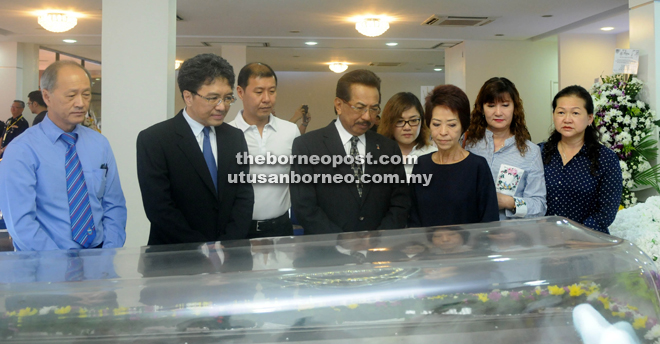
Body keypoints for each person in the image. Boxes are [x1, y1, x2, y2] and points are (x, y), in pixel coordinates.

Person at [0, 61, 127, 251]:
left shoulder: (99, 144)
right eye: (71, 95)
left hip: (99, 261)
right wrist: (60, 266)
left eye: (86, 95)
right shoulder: (22, 150)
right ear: (46, 96)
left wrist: (107, 254)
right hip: (46, 266)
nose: (81, 103)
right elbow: (21, 223)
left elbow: (114, 205)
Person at [137, 53, 253, 245]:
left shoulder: (235, 137)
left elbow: (244, 196)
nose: (222, 107)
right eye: (213, 98)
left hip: (230, 254)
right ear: (188, 97)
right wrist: (203, 249)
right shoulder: (155, 139)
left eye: (227, 98)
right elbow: (159, 208)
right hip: (176, 256)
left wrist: (226, 245)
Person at [290, 69, 410, 234]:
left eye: (374, 109)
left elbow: (400, 202)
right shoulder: (307, 146)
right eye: (360, 108)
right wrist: (341, 241)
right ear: (339, 105)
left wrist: (379, 239)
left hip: (379, 252)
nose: (367, 117)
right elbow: (304, 207)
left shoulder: (388, 148)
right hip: (327, 252)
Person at [409, 85, 499, 227]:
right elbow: (414, 216)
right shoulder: (421, 164)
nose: (443, 132)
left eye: (451, 125)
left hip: (470, 248)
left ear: (463, 126)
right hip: (427, 247)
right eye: (436, 124)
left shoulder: (477, 166)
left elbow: (490, 220)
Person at [229, 62, 300, 238]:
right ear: (240, 92)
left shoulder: (290, 131)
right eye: (259, 92)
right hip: (239, 229)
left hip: (282, 227)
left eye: (272, 91)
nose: (267, 99)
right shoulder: (227, 134)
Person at [540, 85, 622, 233]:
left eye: (575, 113)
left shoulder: (606, 159)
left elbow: (606, 212)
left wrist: (574, 236)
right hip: (543, 240)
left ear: (589, 118)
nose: (567, 119)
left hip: (587, 242)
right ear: (553, 115)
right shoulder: (539, 152)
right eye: (561, 112)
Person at [464, 77, 546, 220]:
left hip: (511, 236)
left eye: (505, 105)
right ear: (481, 109)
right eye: (491, 105)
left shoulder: (530, 151)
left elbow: (539, 206)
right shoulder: (467, 144)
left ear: (515, 108)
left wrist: (509, 202)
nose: (498, 112)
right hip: (471, 232)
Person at [378, 92, 437, 175]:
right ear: (389, 123)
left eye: (413, 120)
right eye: (399, 121)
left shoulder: (434, 155)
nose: (407, 128)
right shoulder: (378, 156)